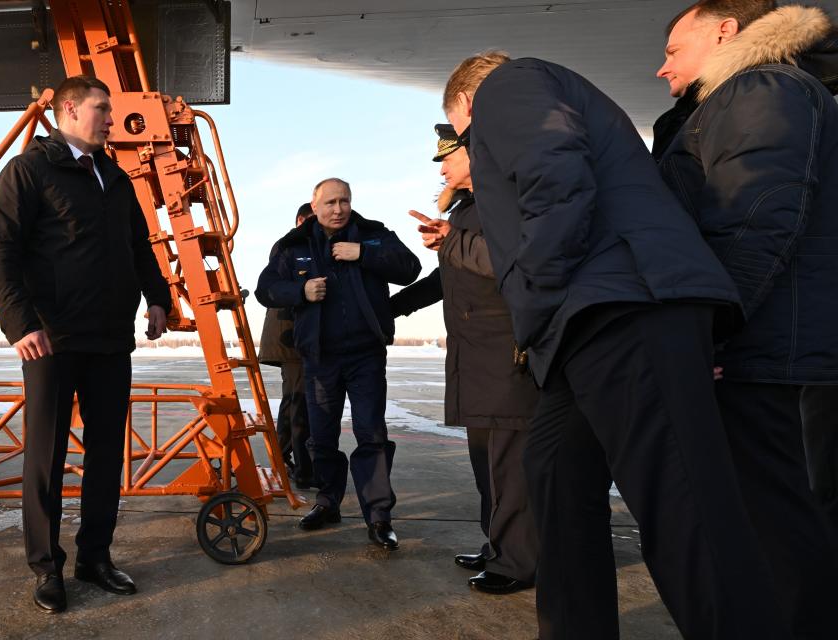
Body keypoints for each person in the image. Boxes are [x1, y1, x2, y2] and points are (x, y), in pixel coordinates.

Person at [444, 52, 792, 638]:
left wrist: (537, 284)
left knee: (683, 506)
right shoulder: (530, 94)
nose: (469, 148)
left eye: (464, 136)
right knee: (552, 475)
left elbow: (555, 177)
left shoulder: (509, 84)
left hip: (626, 306)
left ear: (467, 104)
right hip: (582, 324)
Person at [655, 2, 838, 635]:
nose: (662, 67)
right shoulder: (768, 92)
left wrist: (709, 329)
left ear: (725, 29)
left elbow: (755, 216)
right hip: (765, 339)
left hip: (761, 347)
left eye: (674, 50)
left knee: (774, 519)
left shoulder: (763, 89)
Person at [0, 75, 171, 614]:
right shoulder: (29, 171)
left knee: (108, 454)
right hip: (51, 341)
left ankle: (96, 557)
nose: (112, 119)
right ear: (68, 110)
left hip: (111, 338)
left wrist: (158, 299)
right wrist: (21, 325)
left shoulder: (115, 176)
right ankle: (46, 568)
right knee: (46, 457)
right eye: (102, 109)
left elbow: (140, 246)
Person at [390, 124, 539, 594]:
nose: (443, 166)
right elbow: (449, 278)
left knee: (509, 466)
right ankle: (498, 545)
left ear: (478, 155)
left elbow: (509, 264)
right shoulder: (469, 210)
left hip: (504, 352)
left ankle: (518, 561)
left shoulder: (502, 204)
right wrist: (395, 305)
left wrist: (451, 238)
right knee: (486, 462)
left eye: (450, 155)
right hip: (477, 354)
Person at [255, 178, 421, 550]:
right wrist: (300, 291)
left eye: (344, 200)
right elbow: (266, 288)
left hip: (365, 356)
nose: (338, 208)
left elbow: (410, 267)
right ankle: (328, 502)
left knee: (371, 435)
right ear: (314, 206)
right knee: (322, 438)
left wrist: (363, 254)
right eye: (330, 202)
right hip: (319, 359)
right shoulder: (293, 244)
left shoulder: (374, 235)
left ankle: (379, 517)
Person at [258, 202, 316, 489]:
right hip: (291, 339)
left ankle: (283, 460)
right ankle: (301, 468)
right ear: (301, 221)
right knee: (298, 405)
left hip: (293, 339)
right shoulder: (290, 246)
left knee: (295, 403)